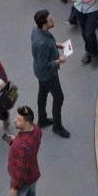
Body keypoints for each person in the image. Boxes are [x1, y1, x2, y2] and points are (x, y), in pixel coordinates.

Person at [30, 9, 70, 137]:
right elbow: (45, 64)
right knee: (59, 97)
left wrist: (56, 45)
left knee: (42, 93)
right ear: (44, 23)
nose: (53, 20)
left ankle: (42, 119)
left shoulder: (36, 30)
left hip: (39, 72)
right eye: (50, 19)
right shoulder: (42, 43)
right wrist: (59, 60)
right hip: (48, 74)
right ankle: (57, 127)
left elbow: (43, 50)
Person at [6, 105, 43, 196]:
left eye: (18, 120)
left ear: (27, 123)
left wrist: (15, 187)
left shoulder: (21, 146)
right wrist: (15, 140)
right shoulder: (36, 129)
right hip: (33, 174)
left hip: (22, 182)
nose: (14, 121)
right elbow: (26, 153)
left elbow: (20, 170)